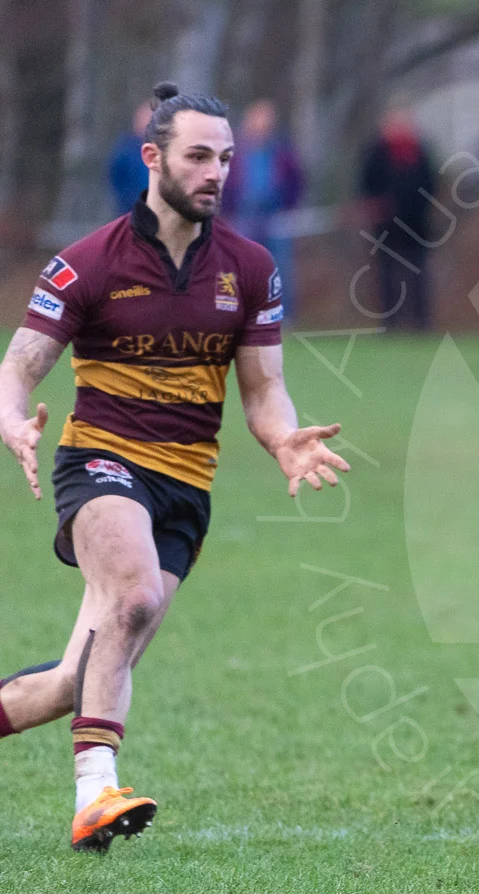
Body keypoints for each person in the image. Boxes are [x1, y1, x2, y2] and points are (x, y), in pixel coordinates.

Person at [0, 81, 349, 853]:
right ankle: (96, 793)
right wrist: (11, 418)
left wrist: (284, 438)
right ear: (153, 158)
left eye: (226, 158)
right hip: (101, 463)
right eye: (198, 156)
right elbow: (19, 365)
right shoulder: (87, 263)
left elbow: (264, 390)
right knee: (131, 595)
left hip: (185, 489)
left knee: (72, 680)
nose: (216, 172)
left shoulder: (252, 269)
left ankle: (92, 769)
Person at [223, 100, 303, 321]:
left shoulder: (282, 152)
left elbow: (297, 180)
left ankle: (283, 315)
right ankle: (240, 312)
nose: (261, 125)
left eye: (266, 120)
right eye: (257, 119)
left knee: (280, 265)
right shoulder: (235, 151)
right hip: (243, 213)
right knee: (241, 265)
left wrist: (290, 207)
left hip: (276, 214)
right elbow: (226, 181)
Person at [358, 106, 436, 331]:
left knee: (418, 273)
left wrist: (416, 206)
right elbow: (367, 184)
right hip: (385, 225)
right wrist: (376, 204)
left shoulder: (419, 152)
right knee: (386, 274)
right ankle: (389, 323)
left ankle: (421, 322)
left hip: (415, 224)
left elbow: (429, 185)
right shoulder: (376, 153)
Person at [106, 102, 153, 217]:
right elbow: (115, 178)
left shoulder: (164, 152)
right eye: (146, 119)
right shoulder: (125, 151)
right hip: (130, 212)